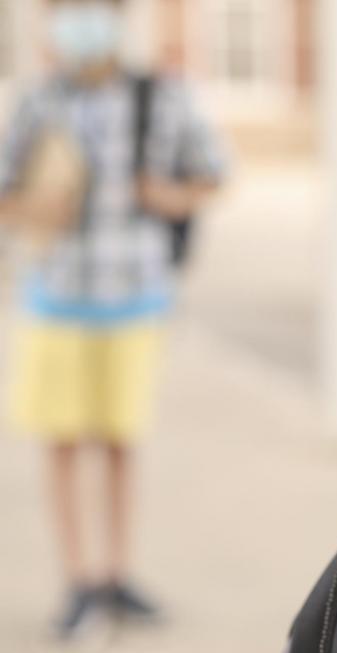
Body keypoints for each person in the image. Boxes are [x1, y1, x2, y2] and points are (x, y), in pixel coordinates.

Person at [0, 0, 226, 641]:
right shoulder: (38, 102)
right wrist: (34, 205)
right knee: (65, 440)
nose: (79, 22)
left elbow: (213, 175)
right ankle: (79, 580)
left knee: (122, 439)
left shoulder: (162, 97)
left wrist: (169, 195)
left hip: (136, 299)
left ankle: (117, 573)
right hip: (56, 299)